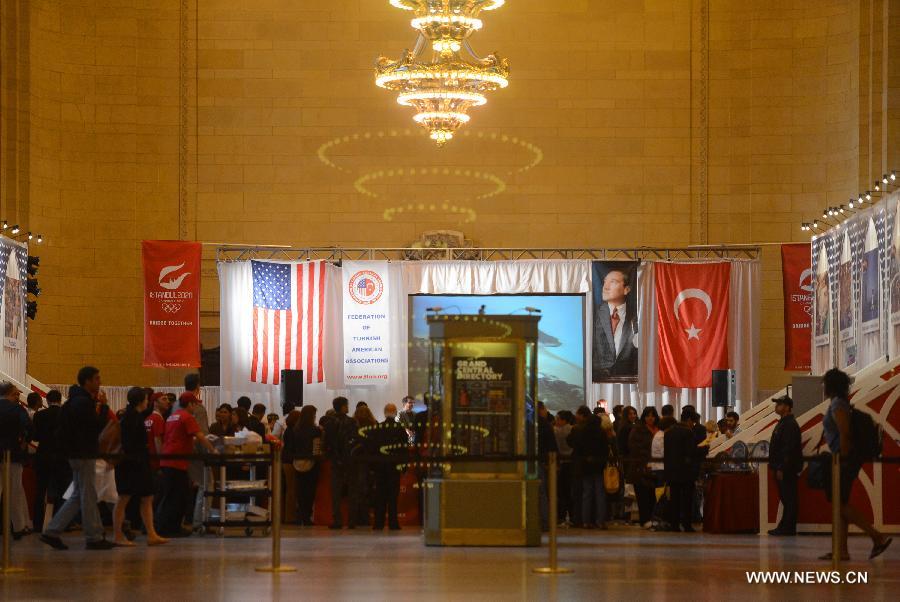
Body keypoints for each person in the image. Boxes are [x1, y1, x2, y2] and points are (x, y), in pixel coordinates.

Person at [818, 369, 892, 560]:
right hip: (846, 459)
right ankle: (841, 551)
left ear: (830, 385)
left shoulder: (837, 405)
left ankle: (877, 536)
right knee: (840, 504)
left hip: (843, 460)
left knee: (840, 506)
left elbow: (845, 432)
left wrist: (842, 458)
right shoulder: (842, 402)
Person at [40, 367, 115, 550]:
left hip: (76, 454)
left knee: (78, 495)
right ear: (87, 381)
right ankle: (94, 537)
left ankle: (52, 531)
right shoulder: (83, 402)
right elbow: (94, 428)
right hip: (84, 454)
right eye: (97, 378)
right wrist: (104, 407)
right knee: (88, 495)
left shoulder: (74, 400)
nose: (100, 381)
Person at [154, 392, 216, 538]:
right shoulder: (188, 417)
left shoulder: (171, 417)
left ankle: (164, 526)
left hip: (167, 459)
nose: (196, 407)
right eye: (195, 404)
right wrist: (213, 450)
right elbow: (200, 437)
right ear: (190, 404)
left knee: (170, 495)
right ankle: (171, 528)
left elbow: (176, 437)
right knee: (178, 497)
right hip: (177, 462)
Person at [112, 387, 168, 547]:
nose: (147, 402)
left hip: (138, 464)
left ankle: (151, 534)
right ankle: (117, 535)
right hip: (131, 465)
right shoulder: (132, 418)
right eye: (145, 399)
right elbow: (130, 444)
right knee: (123, 498)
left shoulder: (134, 415)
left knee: (147, 497)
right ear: (140, 401)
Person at [32, 389, 70, 533]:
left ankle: (37, 524)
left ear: (47, 400)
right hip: (61, 457)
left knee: (40, 491)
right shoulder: (66, 415)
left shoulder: (39, 415)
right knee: (62, 491)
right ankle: (60, 524)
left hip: (43, 456)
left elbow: (35, 437)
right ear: (60, 400)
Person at [567, 405, 608, 529]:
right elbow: (605, 449)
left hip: (584, 465)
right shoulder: (601, 432)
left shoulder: (581, 430)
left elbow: (574, 445)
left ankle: (585, 521)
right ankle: (600, 521)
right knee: (600, 493)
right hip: (598, 465)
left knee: (587, 493)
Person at [592, 268, 638, 379]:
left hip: (629, 382)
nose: (605, 287)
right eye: (605, 282)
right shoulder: (593, 314)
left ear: (626, 289)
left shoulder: (637, 317)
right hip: (599, 382)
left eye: (613, 282)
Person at [0, 382, 32, 539]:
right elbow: (29, 427)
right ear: (9, 394)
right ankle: (18, 527)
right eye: (16, 394)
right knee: (15, 492)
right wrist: (24, 440)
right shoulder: (17, 409)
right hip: (13, 454)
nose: (18, 398)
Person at [664, 407, 702, 532]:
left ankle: (674, 524)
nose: (693, 425)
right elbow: (690, 451)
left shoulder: (669, 432)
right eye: (693, 422)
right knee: (686, 500)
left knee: (674, 499)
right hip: (685, 472)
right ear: (689, 420)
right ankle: (686, 524)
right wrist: (704, 449)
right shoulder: (688, 432)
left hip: (672, 470)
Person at [768, 395, 802, 536]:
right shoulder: (784, 423)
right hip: (782, 466)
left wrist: (782, 467)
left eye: (780, 404)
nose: (777, 406)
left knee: (789, 498)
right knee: (787, 499)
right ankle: (785, 526)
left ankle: (787, 528)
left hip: (786, 468)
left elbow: (788, 448)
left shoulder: (789, 424)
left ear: (787, 407)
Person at [371, 403, 408, 530]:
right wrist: (404, 466)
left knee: (380, 495)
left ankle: (378, 523)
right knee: (393, 496)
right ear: (395, 412)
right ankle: (393, 523)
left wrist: (373, 466)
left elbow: (373, 448)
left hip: (380, 467)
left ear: (384, 412)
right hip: (394, 466)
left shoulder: (378, 427)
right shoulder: (400, 428)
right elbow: (404, 449)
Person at [324, 397, 359, 529]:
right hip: (349, 461)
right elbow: (355, 441)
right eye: (347, 404)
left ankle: (337, 520)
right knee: (352, 491)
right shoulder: (351, 422)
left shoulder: (329, 423)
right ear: (343, 407)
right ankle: (352, 520)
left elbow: (327, 443)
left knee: (336, 493)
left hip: (335, 460)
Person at [628, 406, 659, 528]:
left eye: (652, 415)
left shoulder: (658, 429)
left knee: (652, 495)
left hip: (656, 467)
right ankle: (644, 519)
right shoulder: (638, 429)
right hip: (640, 467)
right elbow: (633, 447)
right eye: (647, 415)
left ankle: (650, 518)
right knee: (642, 495)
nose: (650, 418)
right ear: (644, 417)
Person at [352, 405, 378, 527]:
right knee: (367, 489)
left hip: (356, 461)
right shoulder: (373, 425)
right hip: (369, 461)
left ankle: (356, 518)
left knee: (357, 490)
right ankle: (365, 517)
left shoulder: (354, 426)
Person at [536, 401, 559, 531]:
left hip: (533, 461)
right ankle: (545, 522)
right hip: (543, 461)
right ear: (541, 409)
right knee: (543, 493)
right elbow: (551, 444)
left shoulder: (528, 422)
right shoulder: (545, 424)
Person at [554, 410, 576, 526]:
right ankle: (573, 516)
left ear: (564, 420)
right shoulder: (573, 429)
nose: (556, 421)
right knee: (571, 491)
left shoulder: (556, 431)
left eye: (558, 419)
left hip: (562, 463)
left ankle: (561, 516)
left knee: (562, 492)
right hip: (572, 463)